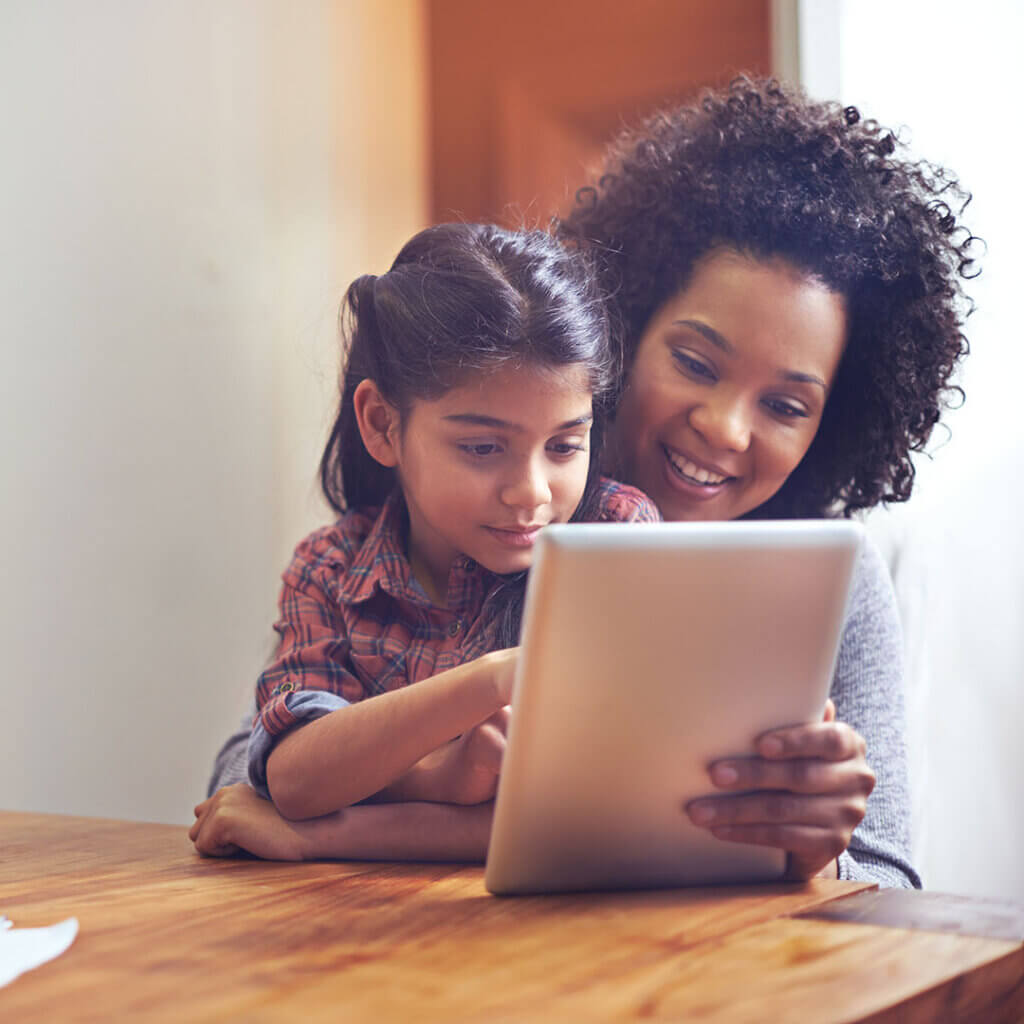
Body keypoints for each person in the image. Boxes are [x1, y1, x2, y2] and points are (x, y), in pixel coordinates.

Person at [192, 77, 976, 887]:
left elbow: (886, 888)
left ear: (831, 423)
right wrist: (412, 779)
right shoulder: (470, 527)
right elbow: (250, 775)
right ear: (621, 338)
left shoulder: (833, 583)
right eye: (695, 363)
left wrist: (815, 847)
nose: (725, 427)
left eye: (784, 403)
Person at [192, 221, 658, 850]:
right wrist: (485, 694)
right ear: (382, 424)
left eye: (564, 445)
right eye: (482, 447)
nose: (532, 491)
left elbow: (605, 819)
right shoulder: (331, 568)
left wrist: (332, 834)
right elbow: (294, 778)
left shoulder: (617, 540)